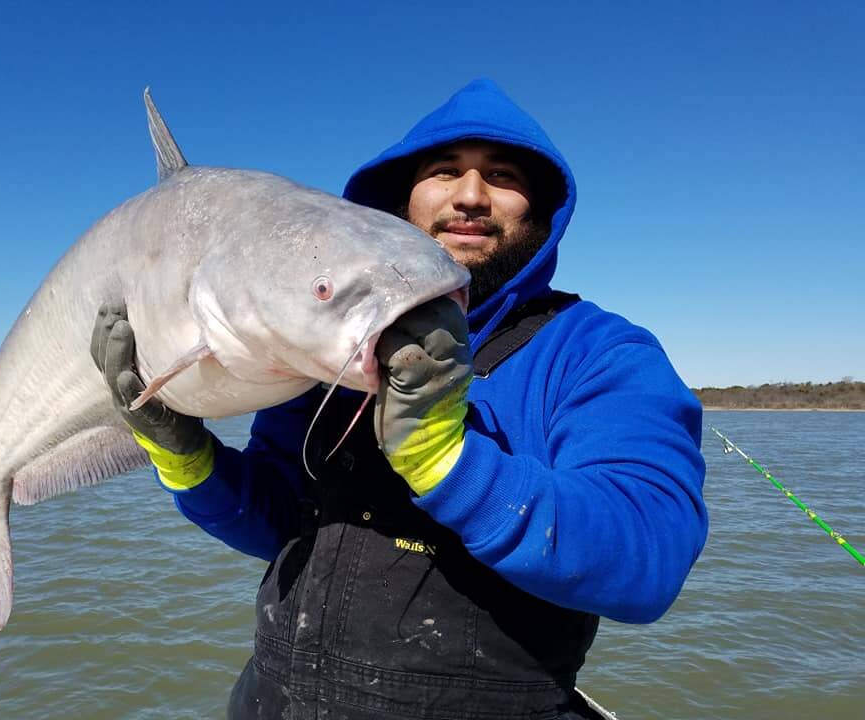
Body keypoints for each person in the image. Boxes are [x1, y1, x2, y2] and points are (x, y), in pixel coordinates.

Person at [92, 79, 707, 719]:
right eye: (444, 172)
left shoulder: (598, 352)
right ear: (400, 201)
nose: (470, 196)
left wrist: (446, 462)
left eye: (500, 175)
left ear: (540, 208)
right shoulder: (316, 349)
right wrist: (187, 456)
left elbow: (649, 558)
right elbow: (277, 522)